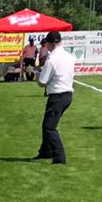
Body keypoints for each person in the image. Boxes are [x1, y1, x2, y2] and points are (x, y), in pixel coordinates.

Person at [34, 30, 74, 165]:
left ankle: (59, 157)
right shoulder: (69, 56)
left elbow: (42, 82)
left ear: (50, 44)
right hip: (67, 94)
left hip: (57, 95)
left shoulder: (51, 59)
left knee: (49, 127)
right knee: (47, 123)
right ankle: (45, 151)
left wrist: (36, 75)